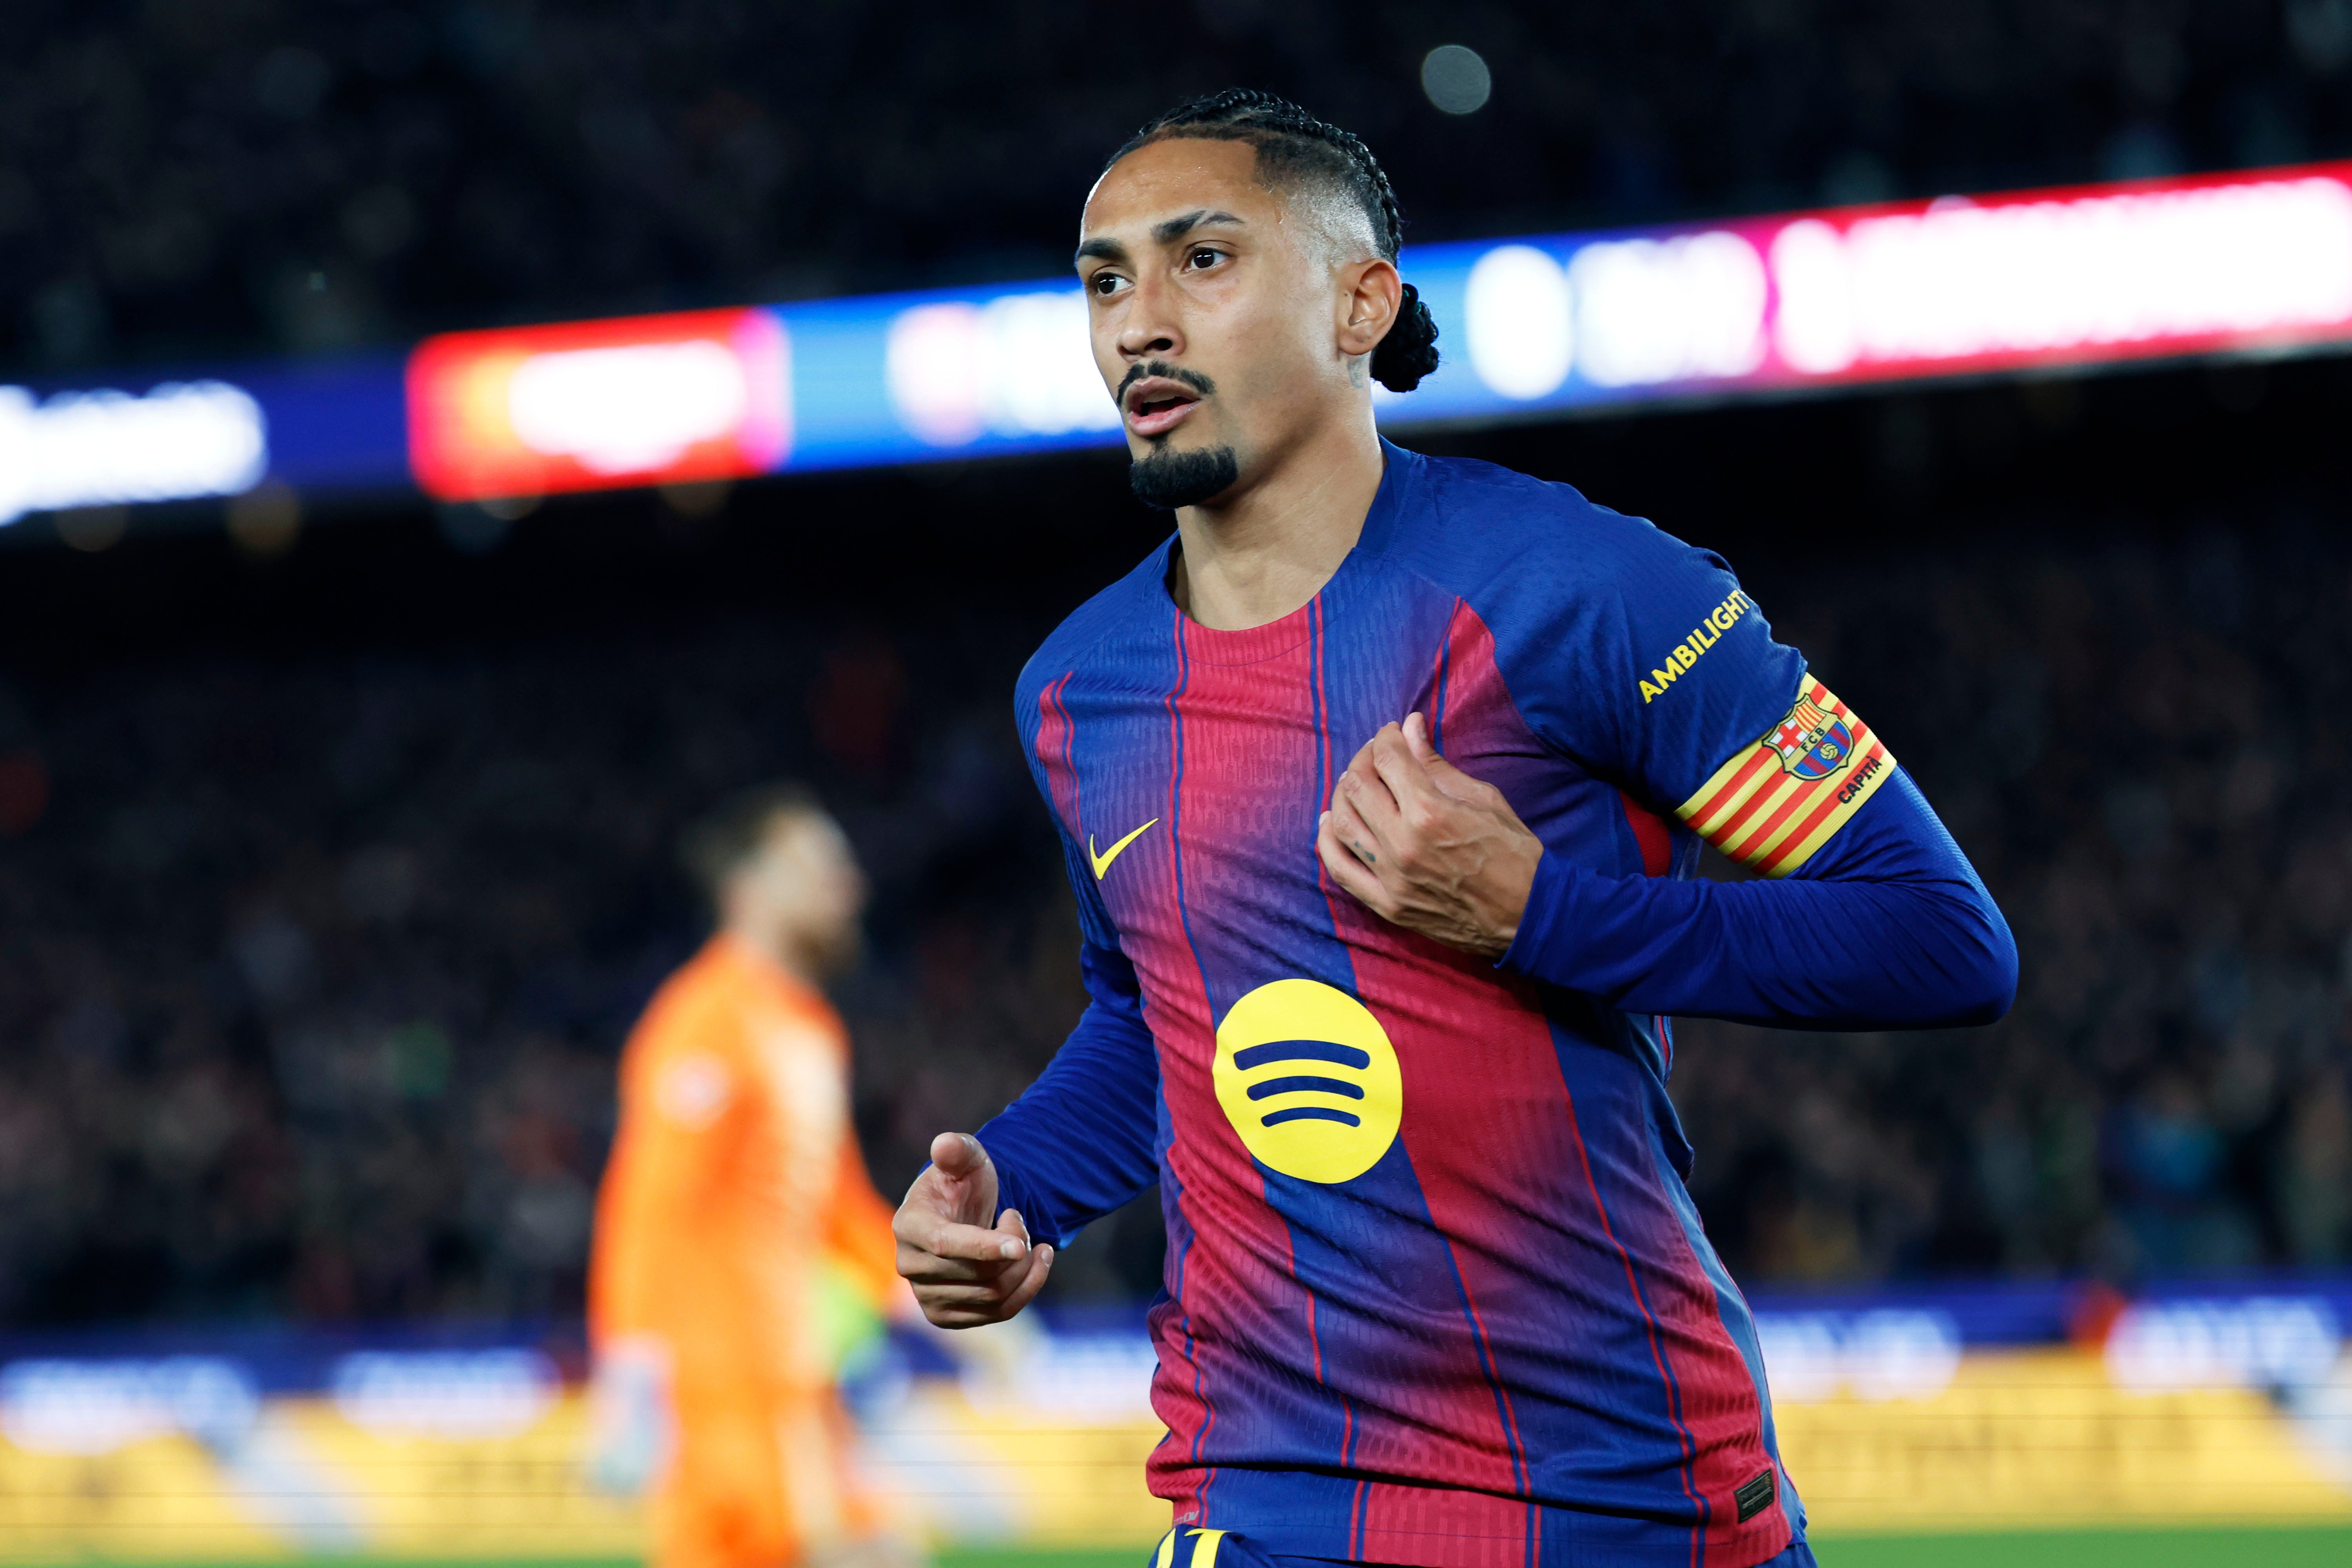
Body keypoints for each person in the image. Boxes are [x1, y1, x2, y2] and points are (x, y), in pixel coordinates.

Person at [891, 90, 2018, 1568]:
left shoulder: (1587, 592)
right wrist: (1018, 1182)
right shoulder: (1076, 692)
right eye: (1107, 281)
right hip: (1270, 1499)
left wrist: (1545, 914)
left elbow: (1939, 937)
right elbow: (1154, 1015)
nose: (1139, 324)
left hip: (1633, 1501)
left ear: (1360, 305)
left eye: (1203, 261)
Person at [590, 786, 911, 1568]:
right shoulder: (706, 1019)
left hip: (793, 1378)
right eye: (818, 866)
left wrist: (936, 1296)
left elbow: (835, 1206)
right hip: (723, 1393)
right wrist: (629, 1371)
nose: (847, 884)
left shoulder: (811, 1027)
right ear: (748, 888)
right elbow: (652, 1202)